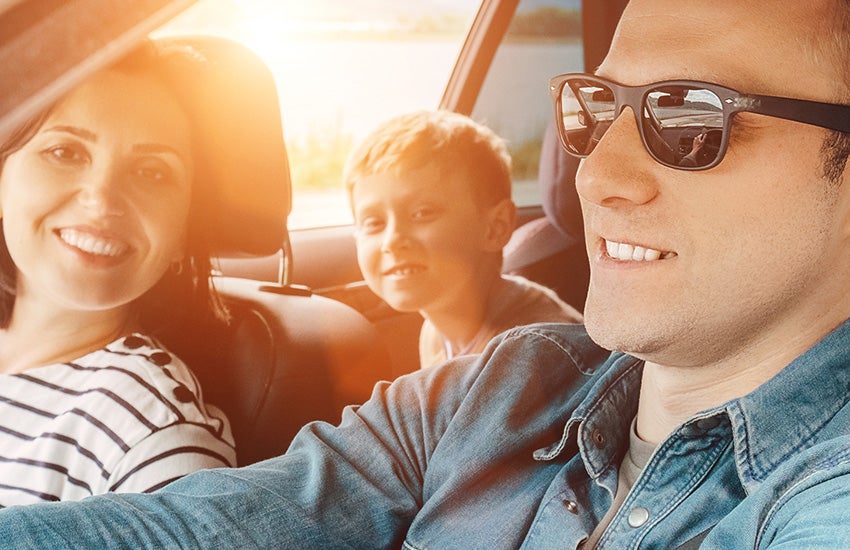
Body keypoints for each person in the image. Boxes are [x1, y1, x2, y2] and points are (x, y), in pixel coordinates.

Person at [2, 0, 850, 547]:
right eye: (597, 110)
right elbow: (195, 529)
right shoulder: (501, 386)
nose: (596, 175)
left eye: (692, 119)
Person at [0, 39, 237, 505]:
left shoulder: (155, 431)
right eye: (65, 152)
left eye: (152, 172)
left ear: (184, 232)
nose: (102, 200)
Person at [344, 110, 582, 368]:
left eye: (422, 213)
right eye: (374, 223)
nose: (391, 240)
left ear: (495, 228)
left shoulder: (533, 354)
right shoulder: (435, 333)